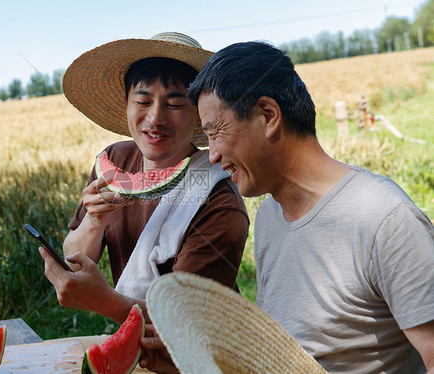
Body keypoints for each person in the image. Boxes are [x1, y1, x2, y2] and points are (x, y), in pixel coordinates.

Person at [184, 41, 434, 373]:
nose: (212, 155)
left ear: (268, 116)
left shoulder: (384, 219)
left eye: (215, 132)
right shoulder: (271, 215)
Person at [38, 31, 248, 348]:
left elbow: (190, 320)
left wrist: (104, 301)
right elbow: (75, 259)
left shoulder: (219, 204)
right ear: (126, 104)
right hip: (140, 346)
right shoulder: (115, 160)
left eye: (175, 103)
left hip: (205, 354)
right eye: (143, 101)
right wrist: (95, 221)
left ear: (199, 114)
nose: (155, 118)